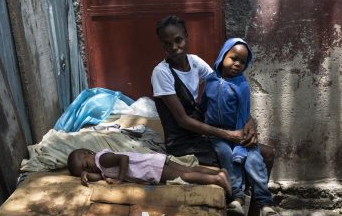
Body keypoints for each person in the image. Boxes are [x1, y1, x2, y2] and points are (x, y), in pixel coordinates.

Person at [151, 15, 276, 216]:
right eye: (167, 44)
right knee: (232, 159)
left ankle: (256, 209)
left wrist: (249, 121)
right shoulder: (161, 73)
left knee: (266, 153)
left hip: (203, 132)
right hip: (183, 139)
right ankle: (235, 200)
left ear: (187, 36)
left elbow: (223, 89)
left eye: (178, 40)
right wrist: (228, 135)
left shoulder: (195, 63)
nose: (174, 47)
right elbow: (183, 121)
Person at [202, 38, 278, 216]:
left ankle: (264, 203)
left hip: (239, 132)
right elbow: (204, 104)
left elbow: (243, 114)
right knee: (225, 153)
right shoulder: (211, 80)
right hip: (217, 133)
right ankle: (237, 198)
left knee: (253, 159)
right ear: (223, 56)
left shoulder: (242, 85)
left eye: (242, 62)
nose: (237, 64)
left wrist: (240, 146)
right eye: (233, 58)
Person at [67, 148, 232, 195]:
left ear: (89, 153)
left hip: (149, 168)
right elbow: (100, 175)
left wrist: (120, 180)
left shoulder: (101, 159)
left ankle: (217, 179)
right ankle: (219, 172)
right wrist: (87, 176)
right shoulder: (100, 167)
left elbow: (123, 158)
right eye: (82, 170)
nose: (88, 168)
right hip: (153, 161)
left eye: (85, 165)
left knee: (185, 176)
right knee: (188, 169)